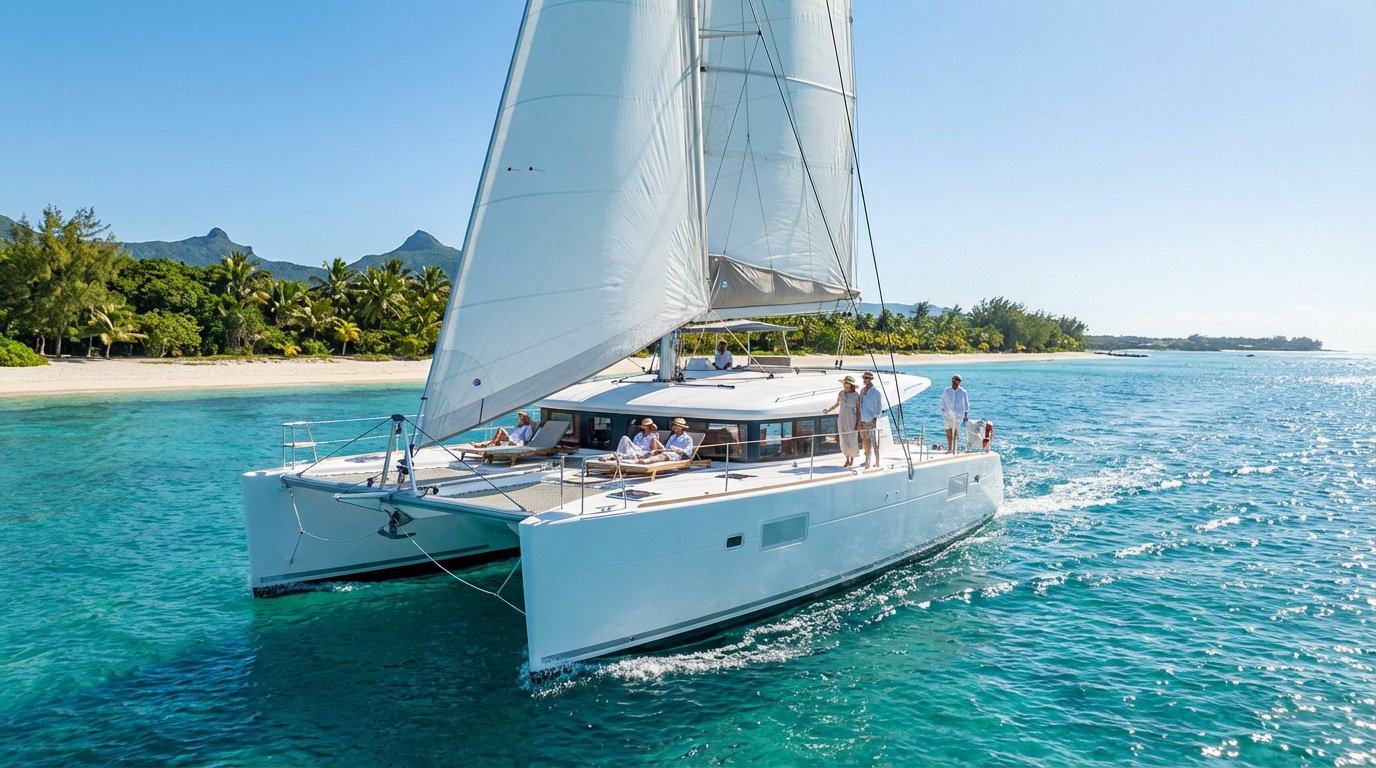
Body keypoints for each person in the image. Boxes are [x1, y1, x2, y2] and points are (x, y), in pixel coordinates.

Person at [822, 375, 861, 467]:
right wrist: (828, 410)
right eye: (844, 383)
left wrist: (858, 423)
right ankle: (847, 458)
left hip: (851, 419)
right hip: (842, 418)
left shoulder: (856, 395)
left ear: (850, 384)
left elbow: (858, 410)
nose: (844, 384)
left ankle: (852, 458)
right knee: (843, 438)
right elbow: (837, 404)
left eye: (846, 383)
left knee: (851, 438)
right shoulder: (841, 393)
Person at [858, 372, 882, 468]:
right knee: (865, 441)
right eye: (864, 378)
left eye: (867, 378)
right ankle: (866, 461)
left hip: (871, 420)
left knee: (873, 441)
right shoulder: (862, 391)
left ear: (870, 379)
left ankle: (877, 462)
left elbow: (878, 408)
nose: (865, 380)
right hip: (862, 419)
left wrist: (874, 417)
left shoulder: (876, 393)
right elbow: (860, 405)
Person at [940, 374, 969, 454]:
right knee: (948, 431)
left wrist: (966, 415)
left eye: (956, 380)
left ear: (959, 382)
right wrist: (943, 410)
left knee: (956, 432)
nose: (954, 381)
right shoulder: (947, 390)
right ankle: (949, 449)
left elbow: (966, 404)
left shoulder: (963, 392)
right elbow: (943, 401)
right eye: (953, 380)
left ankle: (954, 449)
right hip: (947, 414)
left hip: (958, 415)